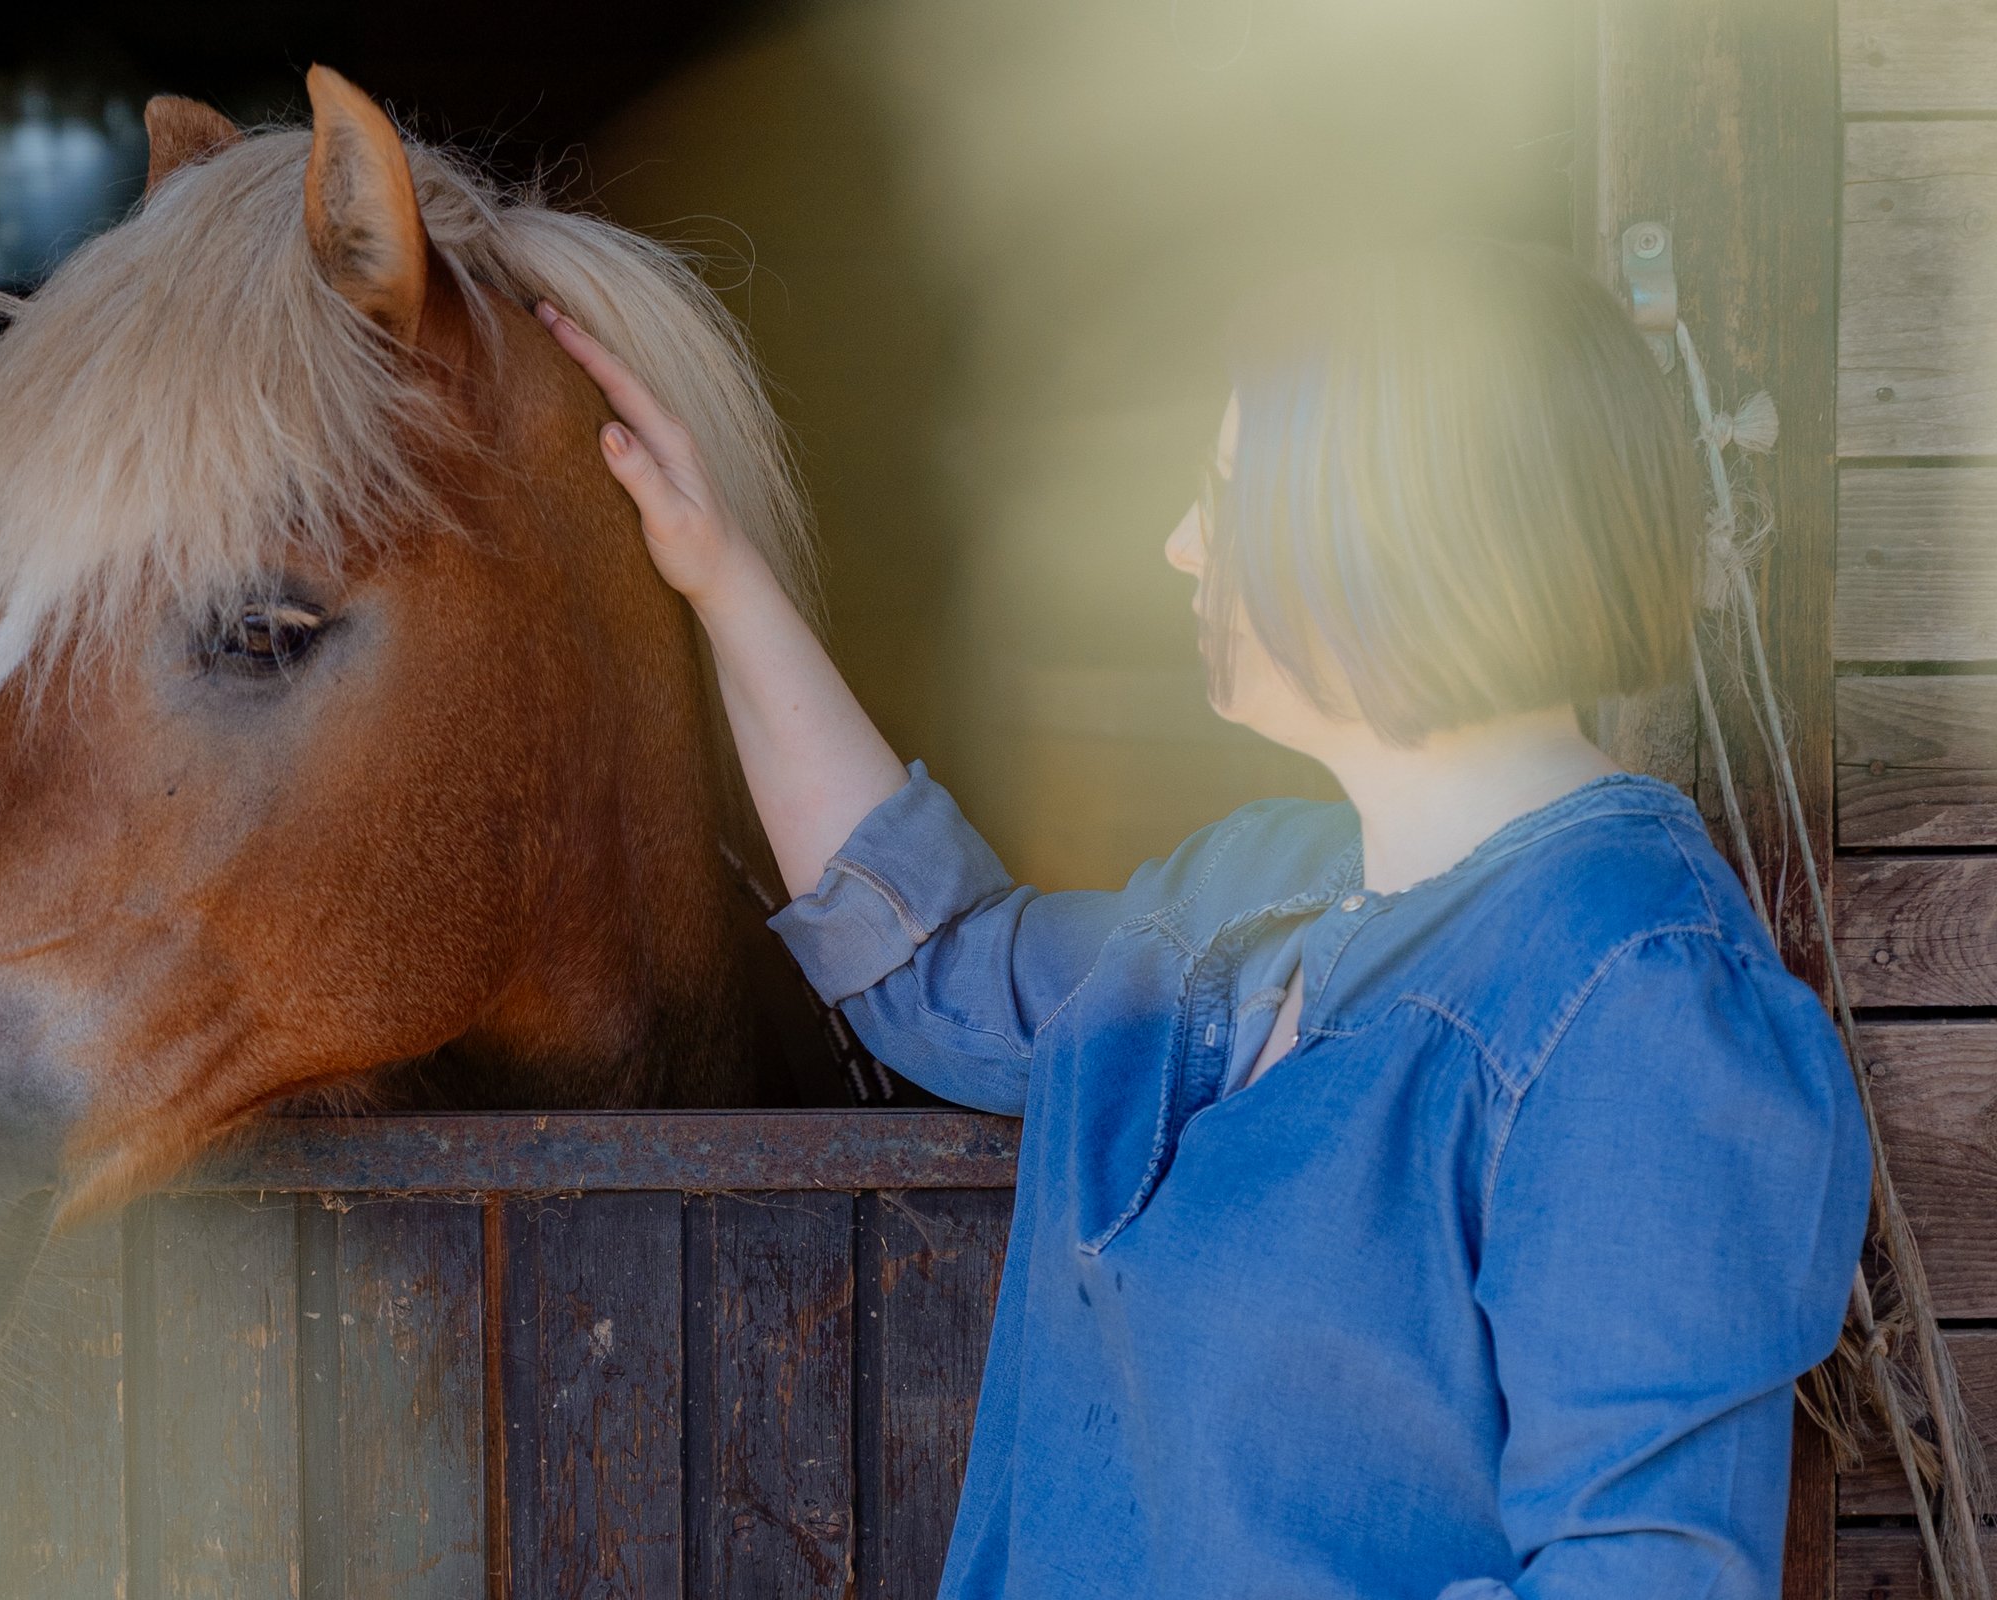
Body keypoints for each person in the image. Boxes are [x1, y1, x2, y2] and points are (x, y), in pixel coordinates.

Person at [537, 237, 1870, 1599]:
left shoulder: (1642, 1007)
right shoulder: (1238, 897)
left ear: (1395, 530)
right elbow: (930, 959)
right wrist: (720, 578)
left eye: (1231, 492)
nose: (1183, 541)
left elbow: (1643, 1580)